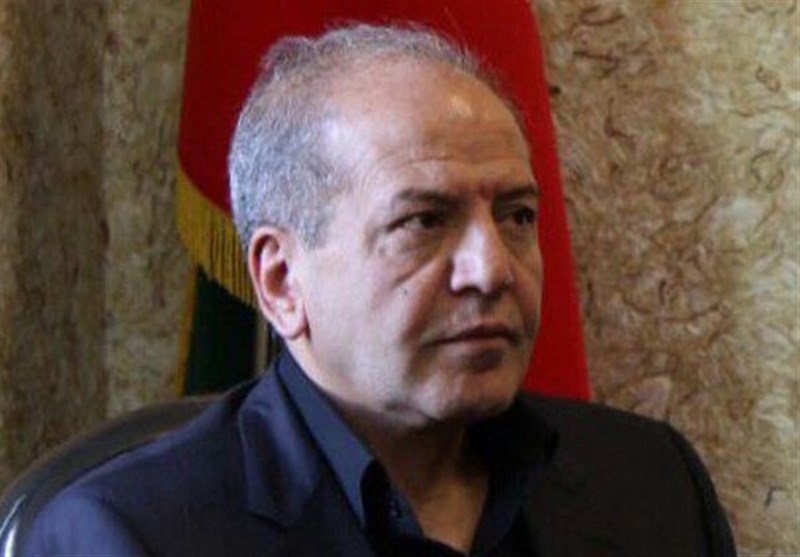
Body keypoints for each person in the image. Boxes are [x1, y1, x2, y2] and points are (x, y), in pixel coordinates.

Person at [24, 24, 736, 557]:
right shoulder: (126, 534)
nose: (493, 269)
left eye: (517, 216)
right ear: (281, 280)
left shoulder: (652, 481)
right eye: (424, 221)